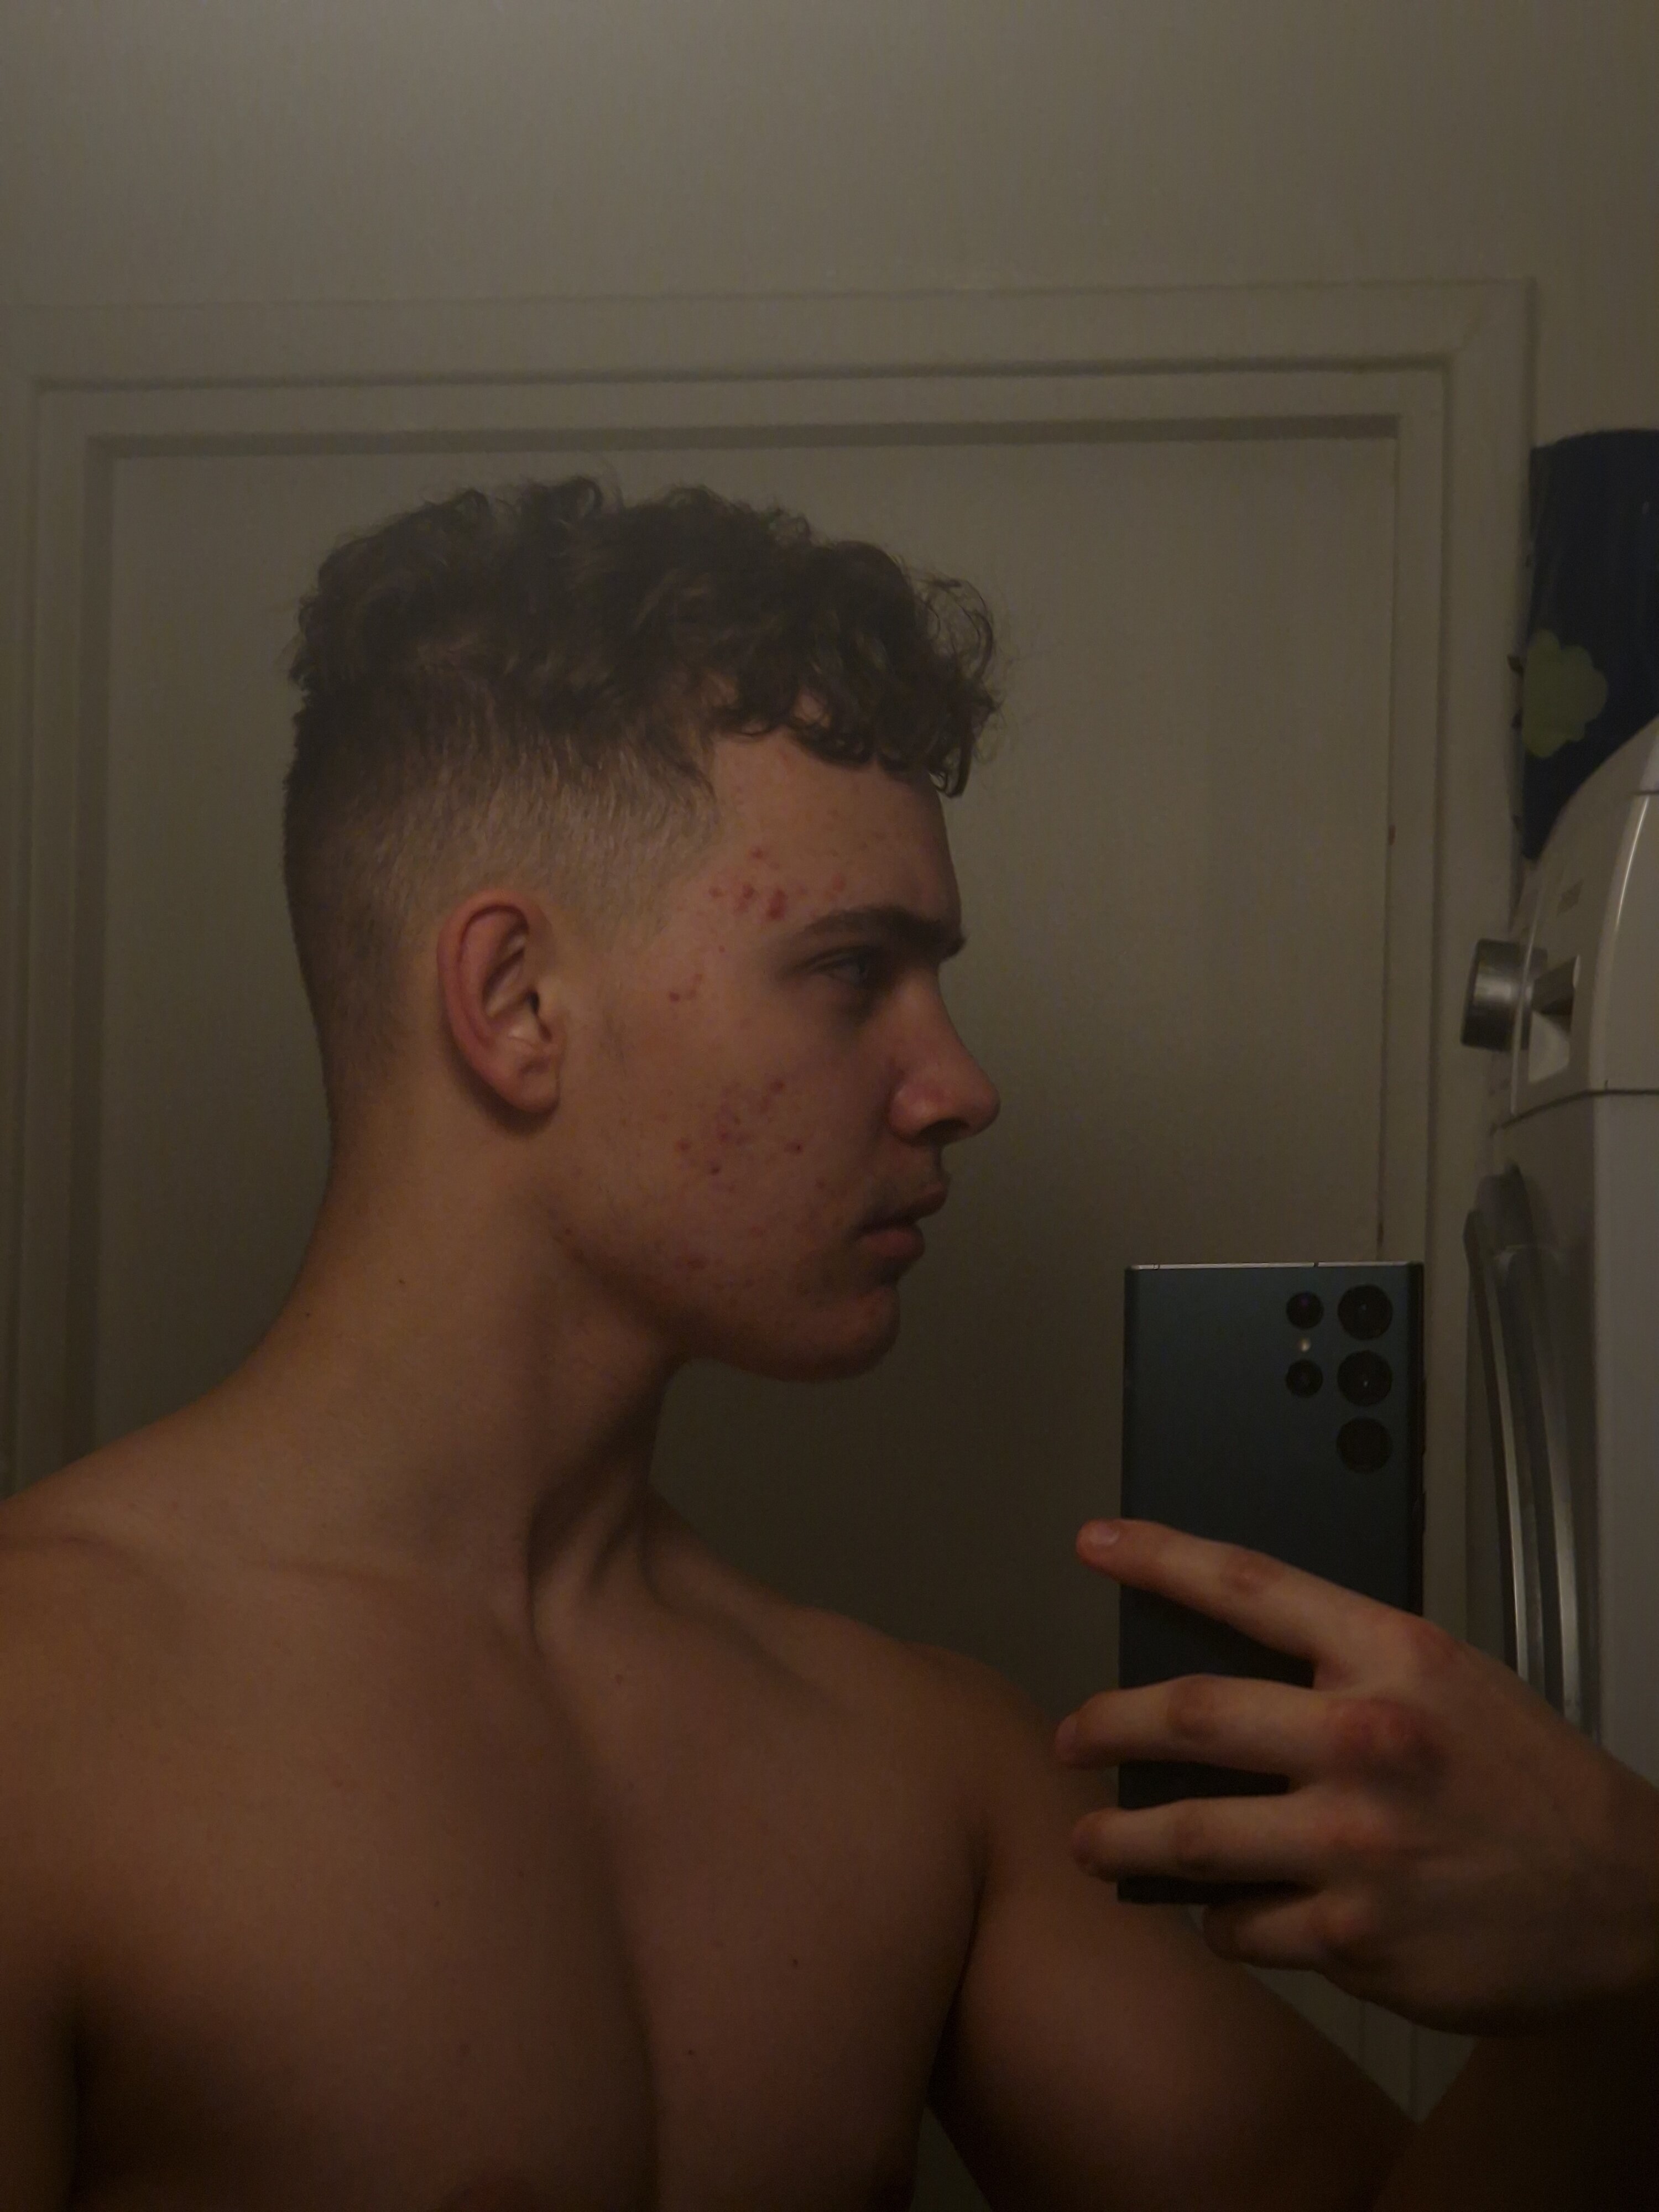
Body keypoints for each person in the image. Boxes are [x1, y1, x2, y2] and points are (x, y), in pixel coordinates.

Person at [0, 477, 1653, 2211]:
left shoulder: (917, 1770)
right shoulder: (43, 1721)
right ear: (515, 1004)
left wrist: (1630, 1938)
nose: (962, 1087)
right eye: (856, 971)